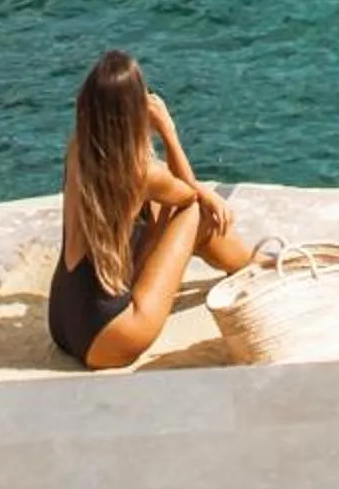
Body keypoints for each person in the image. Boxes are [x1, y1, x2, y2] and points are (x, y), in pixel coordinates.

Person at [46, 49, 257, 370]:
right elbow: (190, 198)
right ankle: (249, 265)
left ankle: (245, 263)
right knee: (193, 213)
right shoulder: (141, 173)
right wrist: (168, 132)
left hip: (62, 320)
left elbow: (156, 181)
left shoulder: (79, 149)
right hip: (112, 336)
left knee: (162, 206)